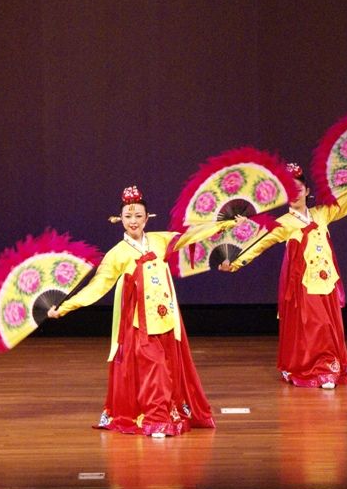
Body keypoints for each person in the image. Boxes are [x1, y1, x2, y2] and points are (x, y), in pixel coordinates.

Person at [48, 185, 242, 437]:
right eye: (128, 216)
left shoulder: (160, 240)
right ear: (119, 219)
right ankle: (156, 420)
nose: (133, 221)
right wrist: (64, 308)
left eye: (138, 216)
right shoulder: (117, 254)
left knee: (168, 369)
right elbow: (96, 287)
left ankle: (164, 414)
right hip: (139, 324)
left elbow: (191, 235)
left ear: (147, 218)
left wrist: (226, 224)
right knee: (155, 368)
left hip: (166, 318)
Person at [219, 161, 347, 389]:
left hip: (327, 281)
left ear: (307, 191)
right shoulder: (284, 223)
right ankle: (323, 371)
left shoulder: (322, 213)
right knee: (317, 326)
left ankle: (325, 367)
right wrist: (235, 263)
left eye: (298, 189)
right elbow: (259, 243)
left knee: (329, 326)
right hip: (305, 284)